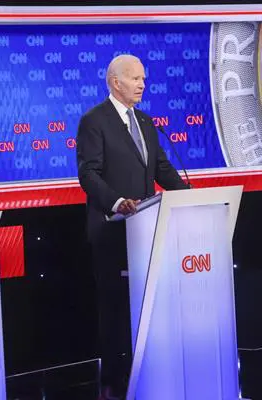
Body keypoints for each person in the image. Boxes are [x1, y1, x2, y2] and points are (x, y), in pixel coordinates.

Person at [76, 54, 189, 400]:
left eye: (144, 78)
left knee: (147, 304)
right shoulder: (94, 121)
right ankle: (113, 378)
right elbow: (88, 173)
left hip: (148, 230)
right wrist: (117, 202)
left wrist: (192, 197)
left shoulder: (145, 120)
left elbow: (160, 169)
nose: (143, 84)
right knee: (114, 307)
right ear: (116, 82)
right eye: (136, 78)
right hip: (112, 229)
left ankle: (149, 367)